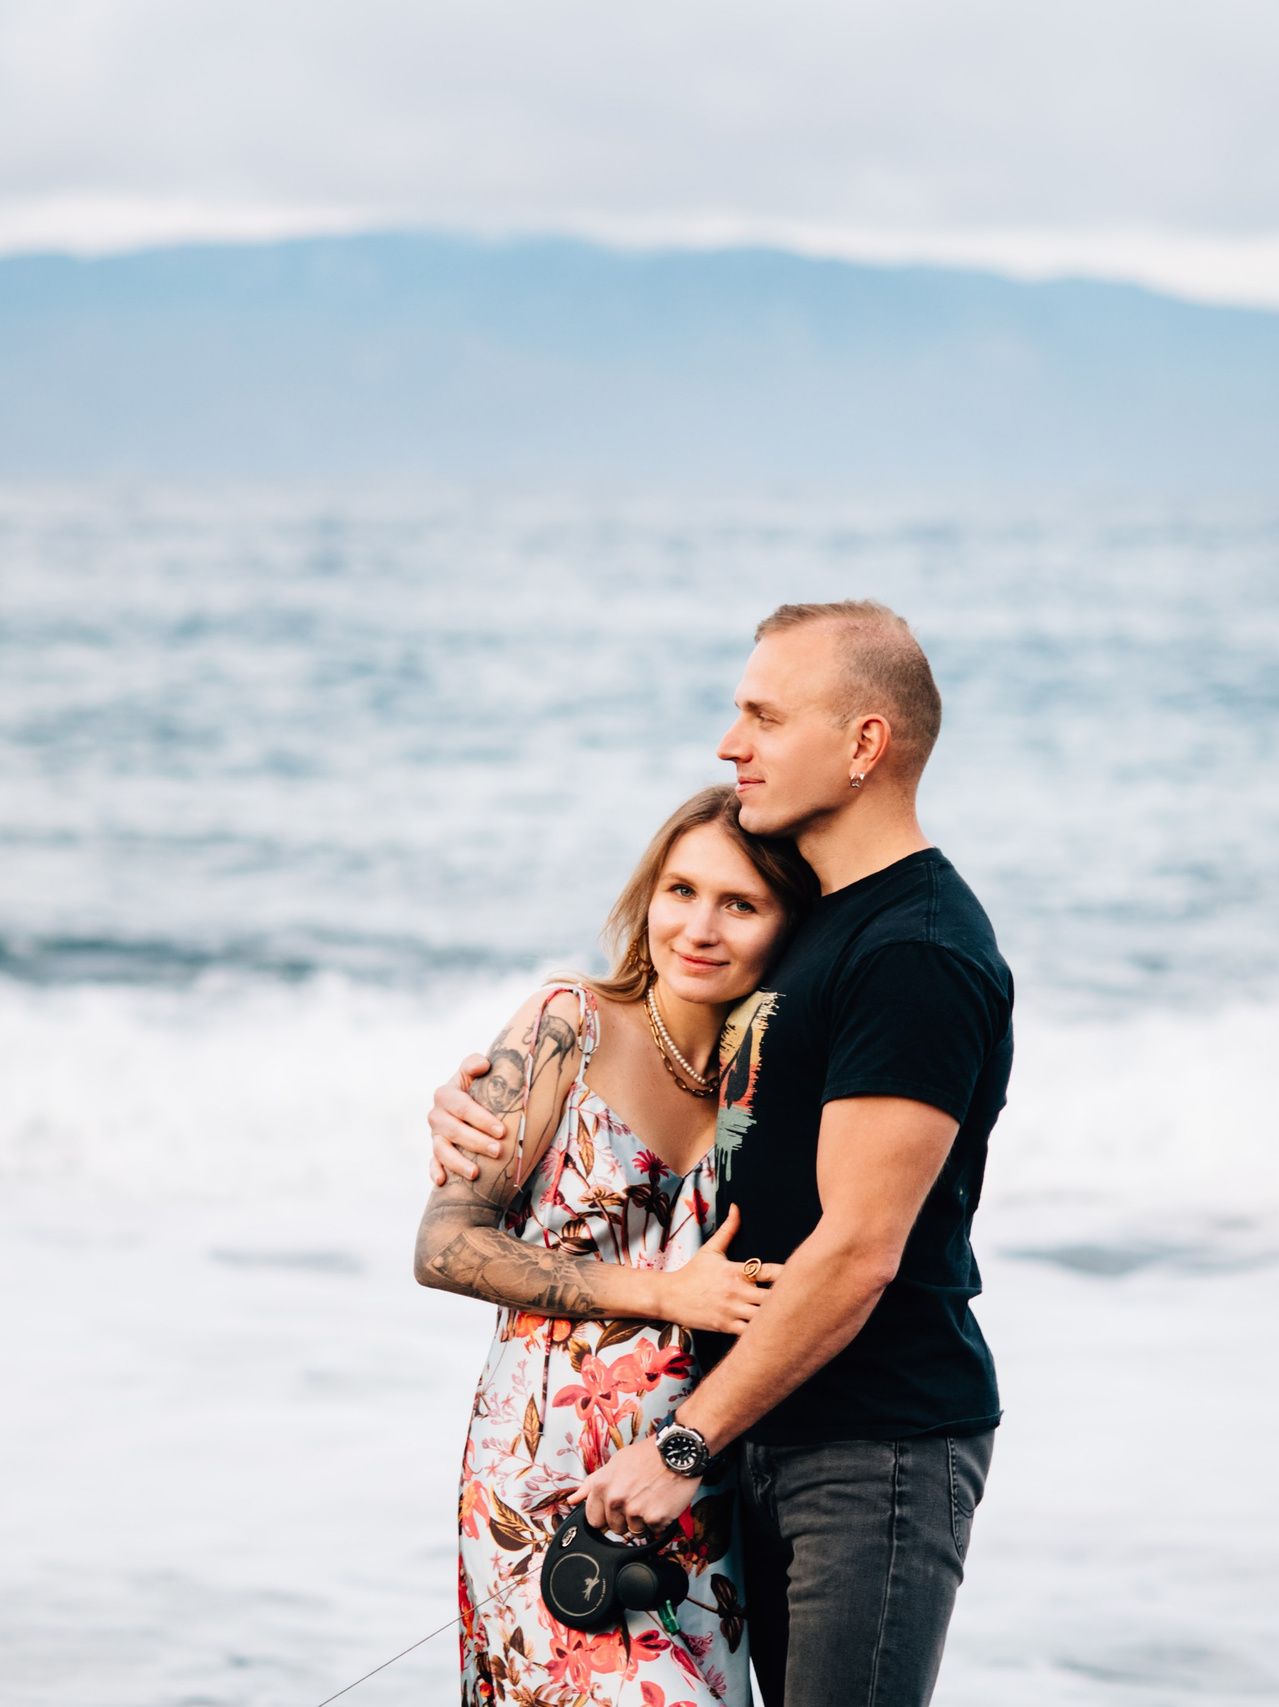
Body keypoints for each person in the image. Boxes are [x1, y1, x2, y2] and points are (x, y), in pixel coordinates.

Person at [432, 601, 1014, 1707]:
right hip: (755, 1435)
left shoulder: (917, 951)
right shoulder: (822, 923)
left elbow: (858, 1249)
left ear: (863, 745)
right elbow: (658, 1046)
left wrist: (682, 1450)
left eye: (763, 714)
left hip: (869, 1442)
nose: (729, 741)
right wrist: (479, 1101)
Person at [413, 784, 820, 1707]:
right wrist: (666, 1294)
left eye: (740, 904)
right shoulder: (569, 1022)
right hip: (543, 1477)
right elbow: (443, 1246)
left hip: (693, 1488)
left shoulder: (768, 1077)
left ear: (786, 926)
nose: (700, 927)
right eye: (681, 891)